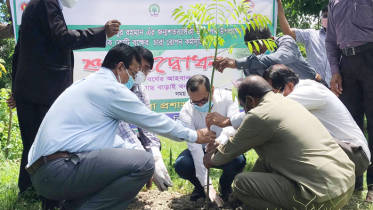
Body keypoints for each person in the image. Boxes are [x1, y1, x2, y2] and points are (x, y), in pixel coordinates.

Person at [25, 44, 216, 210]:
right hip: (58, 171)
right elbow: (152, 120)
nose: (133, 79)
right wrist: (194, 135)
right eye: (133, 73)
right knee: (144, 162)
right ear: (120, 67)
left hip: (44, 172)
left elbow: (109, 141)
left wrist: (139, 157)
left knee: (141, 160)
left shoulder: (90, 84)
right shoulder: (110, 89)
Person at [5, 0, 120, 208]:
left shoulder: (39, 4)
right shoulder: (45, 2)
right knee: (46, 144)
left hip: (33, 90)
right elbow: (62, 38)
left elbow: (21, 49)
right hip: (41, 91)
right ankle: (50, 197)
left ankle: (29, 190)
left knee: (34, 142)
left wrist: (17, 89)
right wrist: (101, 32)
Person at [203, 76, 355, 210]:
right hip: (345, 186)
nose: (246, 110)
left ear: (250, 101)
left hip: (322, 199)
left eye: (244, 106)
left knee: (241, 183)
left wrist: (210, 158)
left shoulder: (258, 115)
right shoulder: (288, 102)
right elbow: (266, 160)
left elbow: (226, 153)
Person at [263, 64, 370, 176]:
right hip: (346, 153)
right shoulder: (304, 87)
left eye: (273, 93)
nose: (271, 97)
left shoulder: (307, 92)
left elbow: (266, 112)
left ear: (289, 85)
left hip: (355, 155)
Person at [325, 0, 373, 200]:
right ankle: (355, 185)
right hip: (346, 65)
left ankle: (372, 186)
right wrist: (335, 70)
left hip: (370, 56)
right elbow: (330, 40)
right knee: (350, 126)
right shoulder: (333, 1)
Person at [174, 75, 246, 206]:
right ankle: (201, 188)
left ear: (212, 90)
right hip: (200, 151)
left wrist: (219, 142)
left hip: (224, 147)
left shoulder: (228, 98)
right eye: (195, 102)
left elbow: (232, 127)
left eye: (204, 100)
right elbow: (195, 148)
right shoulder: (186, 111)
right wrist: (207, 185)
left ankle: (225, 187)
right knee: (181, 164)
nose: (200, 105)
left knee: (238, 161)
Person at [115, 46, 173, 191]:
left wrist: (156, 158)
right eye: (139, 67)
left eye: (146, 69)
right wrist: (148, 163)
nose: (141, 73)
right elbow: (121, 129)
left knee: (153, 145)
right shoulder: (113, 87)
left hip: (121, 139)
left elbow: (146, 126)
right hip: (104, 142)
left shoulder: (140, 91)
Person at [212, 25, 325, 84]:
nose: (257, 53)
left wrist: (236, 63)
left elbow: (278, 58)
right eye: (253, 51)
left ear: (270, 40)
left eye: (260, 49)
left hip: (313, 89)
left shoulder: (286, 42)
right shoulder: (251, 65)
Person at [277, 0, 331, 86]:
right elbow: (288, 32)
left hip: (335, 89)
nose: (327, 19)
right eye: (325, 16)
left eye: (330, 17)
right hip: (312, 85)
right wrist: (279, 6)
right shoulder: (311, 35)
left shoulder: (345, 40)